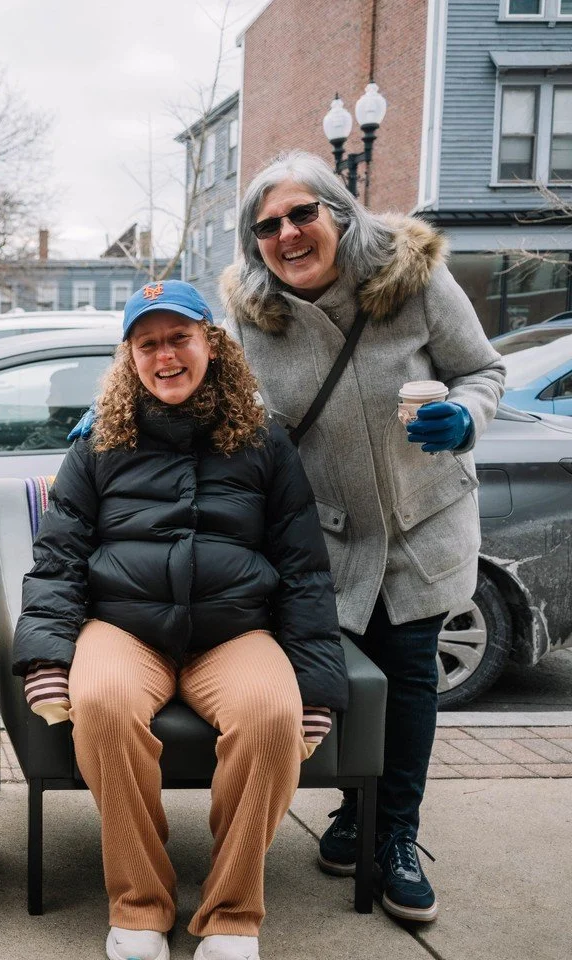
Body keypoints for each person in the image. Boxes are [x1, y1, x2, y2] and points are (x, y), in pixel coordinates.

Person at [13, 280, 348, 960]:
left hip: (233, 631)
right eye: (147, 345)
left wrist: (316, 688)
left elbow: (304, 567)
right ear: (130, 358)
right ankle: (140, 904)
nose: (164, 356)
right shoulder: (98, 442)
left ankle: (232, 913)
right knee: (102, 702)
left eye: (179, 339)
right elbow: (60, 555)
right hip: (123, 628)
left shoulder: (263, 443)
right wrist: (47, 656)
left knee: (271, 715)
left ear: (210, 344)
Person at [222, 151, 505, 924]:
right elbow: (223, 409)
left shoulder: (414, 282)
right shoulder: (254, 317)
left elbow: (483, 371)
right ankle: (355, 809)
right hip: (329, 536)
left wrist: (465, 417)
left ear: (340, 214)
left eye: (301, 213)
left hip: (422, 522)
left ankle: (398, 835)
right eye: (268, 226)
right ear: (255, 244)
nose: (287, 234)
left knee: (409, 677)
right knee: (342, 680)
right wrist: (116, 420)